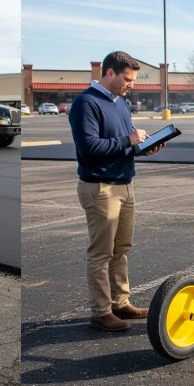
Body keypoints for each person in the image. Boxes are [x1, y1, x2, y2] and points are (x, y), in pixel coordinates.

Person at [68, 51, 165, 332]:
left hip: (125, 184)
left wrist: (144, 147)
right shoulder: (85, 103)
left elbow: (124, 145)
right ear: (109, 73)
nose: (131, 85)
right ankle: (100, 311)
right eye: (127, 79)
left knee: (121, 249)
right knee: (101, 253)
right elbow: (89, 148)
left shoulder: (120, 104)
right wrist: (128, 138)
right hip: (100, 187)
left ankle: (120, 303)